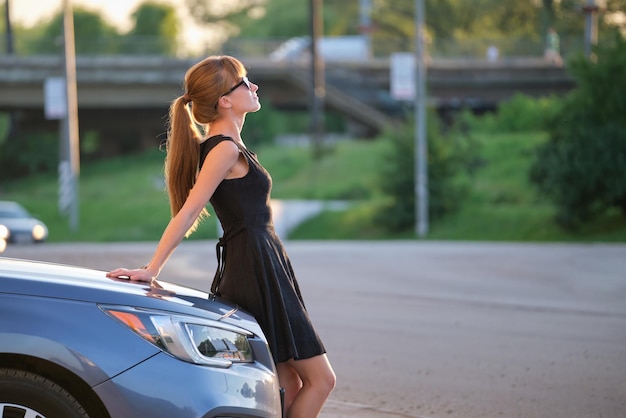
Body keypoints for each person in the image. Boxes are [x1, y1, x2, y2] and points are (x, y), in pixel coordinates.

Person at [106, 55, 336, 417]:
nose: (254, 87)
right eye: (245, 82)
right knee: (320, 380)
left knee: (288, 382)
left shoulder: (228, 145)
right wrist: (152, 269)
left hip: (262, 260)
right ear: (225, 100)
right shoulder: (224, 149)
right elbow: (189, 212)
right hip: (255, 265)